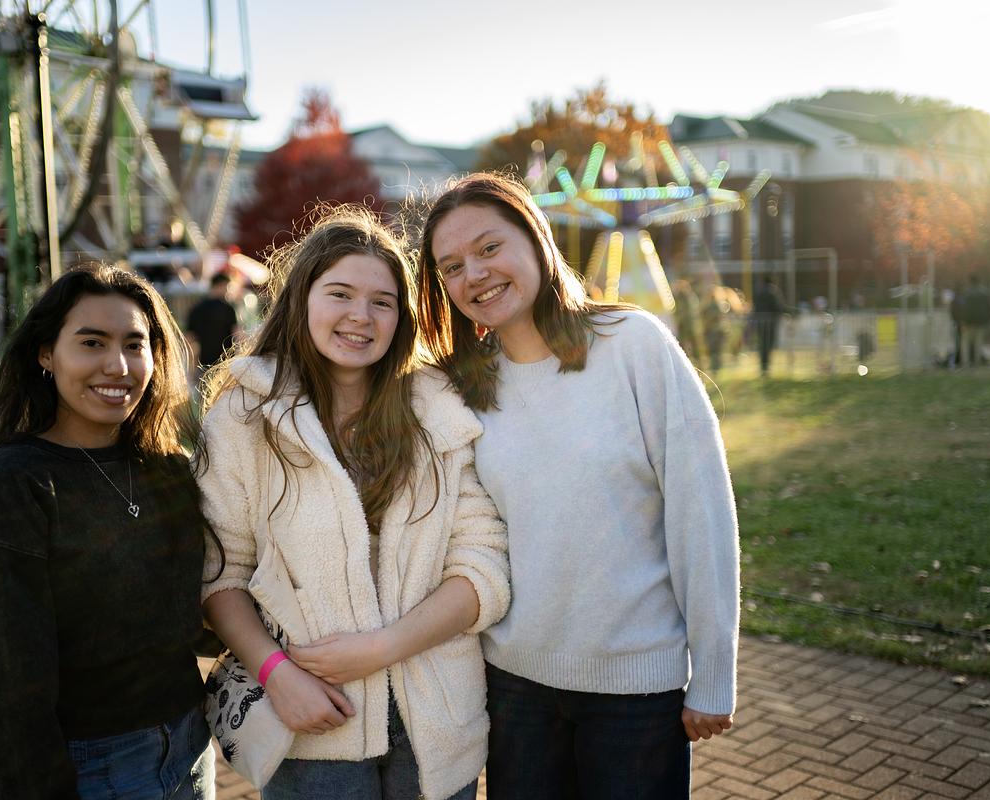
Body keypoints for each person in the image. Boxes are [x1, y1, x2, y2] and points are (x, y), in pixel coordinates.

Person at [417, 173, 739, 799]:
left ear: (536, 240)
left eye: (489, 248)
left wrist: (714, 675)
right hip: (514, 689)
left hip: (635, 690)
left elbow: (701, 513)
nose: (474, 275)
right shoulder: (463, 389)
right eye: (451, 266)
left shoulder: (633, 346)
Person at [197, 207, 509, 800]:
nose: (360, 317)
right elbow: (221, 576)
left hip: (437, 721)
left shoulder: (436, 409)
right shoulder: (244, 416)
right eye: (339, 293)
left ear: (402, 316)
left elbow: (484, 566)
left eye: (382, 302)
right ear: (301, 299)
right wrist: (276, 673)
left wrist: (382, 648)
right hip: (313, 722)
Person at [0, 264, 218, 800]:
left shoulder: (166, 469)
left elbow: (198, 613)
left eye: (135, 345)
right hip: (91, 765)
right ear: (47, 353)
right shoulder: (11, 483)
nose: (117, 366)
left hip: (189, 745)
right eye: (91, 342)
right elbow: (3, 675)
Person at [186, 272, 240, 370]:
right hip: (226, 363)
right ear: (220, 285)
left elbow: (190, 339)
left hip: (204, 364)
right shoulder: (228, 308)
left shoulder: (197, 308)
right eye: (227, 287)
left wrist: (192, 366)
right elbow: (236, 334)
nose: (228, 291)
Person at [752, 274, 786, 376]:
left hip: (760, 323)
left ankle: (763, 367)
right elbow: (778, 307)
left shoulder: (758, 292)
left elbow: (755, 307)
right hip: (770, 324)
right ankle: (765, 367)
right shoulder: (773, 291)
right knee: (768, 345)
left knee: (762, 345)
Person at [961, 274, 990, 366]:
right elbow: (988, 307)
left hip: (969, 321)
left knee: (966, 343)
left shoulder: (967, 293)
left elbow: (965, 308)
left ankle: (965, 361)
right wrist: (987, 319)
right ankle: (977, 361)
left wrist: (964, 320)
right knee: (978, 342)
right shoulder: (985, 292)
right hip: (981, 321)